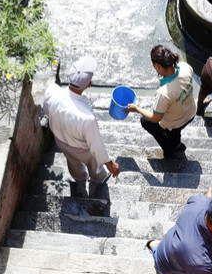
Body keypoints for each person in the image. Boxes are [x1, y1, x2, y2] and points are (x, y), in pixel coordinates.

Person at [42, 55, 120, 196]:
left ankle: (80, 179)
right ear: (88, 84)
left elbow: (47, 111)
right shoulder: (86, 118)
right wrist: (109, 164)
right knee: (94, 165)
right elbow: (96, 146)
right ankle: (98, 179)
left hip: (61, 141)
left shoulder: (52, 92)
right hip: (82, 149)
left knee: (73, 162)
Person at [127, 45, 196, 159]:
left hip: (175, 123)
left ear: (158, 65)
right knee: (176, 131)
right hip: (190, 112)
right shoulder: (185, 67)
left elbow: (156, 118)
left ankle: (171, 148)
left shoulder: (163, 93)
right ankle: (177, 144)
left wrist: (136, 109)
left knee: (145, 121)